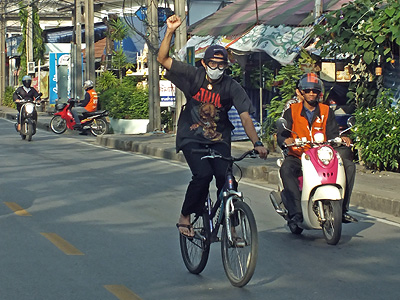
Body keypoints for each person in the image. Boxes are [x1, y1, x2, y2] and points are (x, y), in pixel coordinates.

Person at [157, 15, 269, 237]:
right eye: (213, 64)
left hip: (219, 139)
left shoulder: (231, 86)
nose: (217, 68)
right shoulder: (193, 76)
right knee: (202, 175)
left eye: (221, 64)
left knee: (227, 180)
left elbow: (245, 116)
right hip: (192, 137)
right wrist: (170, 31)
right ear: (204, 63)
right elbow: (162, 59)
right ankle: (185, 216)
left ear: (226, 66)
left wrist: (257, 142)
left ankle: (233, 226)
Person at [277, 73, 357, 226]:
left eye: (315, 91)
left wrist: (342, 138)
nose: (311, 94)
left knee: (348, 165)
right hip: (299, 155)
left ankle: (343, 209)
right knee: (286, 168)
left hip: (321, 156)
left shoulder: (326, 111)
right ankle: (296, 214)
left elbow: (333, 133)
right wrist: (286, 140)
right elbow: (282, 133)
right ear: (302, 92)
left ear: (319, 93)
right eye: (308, 91)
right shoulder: (292, 110)